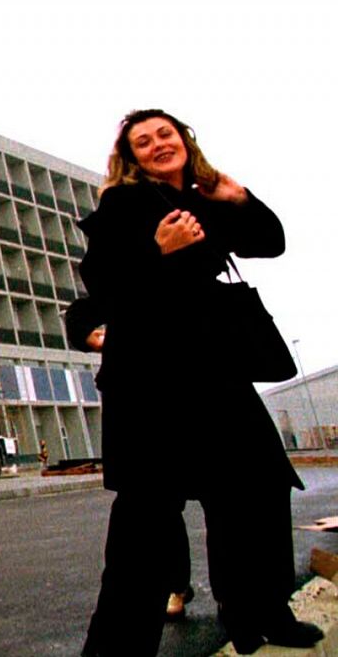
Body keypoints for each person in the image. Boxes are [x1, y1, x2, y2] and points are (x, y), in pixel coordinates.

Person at [76, 109, 320, 656]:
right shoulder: (124, 205)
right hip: (151, 384)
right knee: (146, 524)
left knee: (258, 491)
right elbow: (102, 285)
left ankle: (261, 615)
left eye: (165, 133)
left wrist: (240, 198)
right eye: (144, 141)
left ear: (184, 139)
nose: (158, 144)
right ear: (131, 158)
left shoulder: (206, 199)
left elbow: (270, 241)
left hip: (218, 375)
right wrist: (157, 251)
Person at [65, 296, 194, 621]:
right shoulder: (133, 263)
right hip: (143, 390)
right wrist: (86, 333)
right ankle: (175, 587)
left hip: (194, 373)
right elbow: (103, 290)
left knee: (218, 493)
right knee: (155, 503)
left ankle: (240, 596)